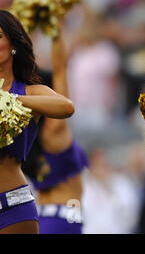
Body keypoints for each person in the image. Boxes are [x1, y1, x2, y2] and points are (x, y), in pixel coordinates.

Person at [0, 10, 74, 234]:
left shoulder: (30, 91)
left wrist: (11, 100)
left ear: (13, 44)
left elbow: (66, 107)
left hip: (13, 206)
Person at [21, 25, 89, 234]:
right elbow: (61, 68)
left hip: (44, 217)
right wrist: (56, 24)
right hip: (63, 218)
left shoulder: (28, 135)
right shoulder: (54, 129)